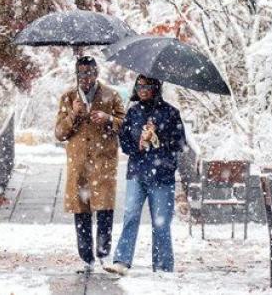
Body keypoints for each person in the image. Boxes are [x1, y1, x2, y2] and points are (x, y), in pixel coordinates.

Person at [104, 75, 186, 275]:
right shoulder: (133, 112)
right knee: (130, 216)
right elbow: (124, 142)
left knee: (161, 222)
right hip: (137, 174)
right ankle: (122, 261)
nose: (142, 89)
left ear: (155, 87)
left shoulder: (171, 113)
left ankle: (163, 266)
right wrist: (139, 145)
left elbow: (179, 144)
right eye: (139, 86)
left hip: (162, 177)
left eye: (146, 86)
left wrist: (158, 138)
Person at [55, 56, 126, 273]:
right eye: (80, 74)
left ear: (96, 73)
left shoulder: (111, 95)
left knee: (104, 208)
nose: (85, 78)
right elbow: (59, 133)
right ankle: (86, 259)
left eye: (89, 73)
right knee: (81, 211)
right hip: (79, 164)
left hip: (103, 160)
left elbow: (125, 126)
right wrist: (74, 114)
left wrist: (108, 119)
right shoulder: (68, 98)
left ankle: (104, 255)